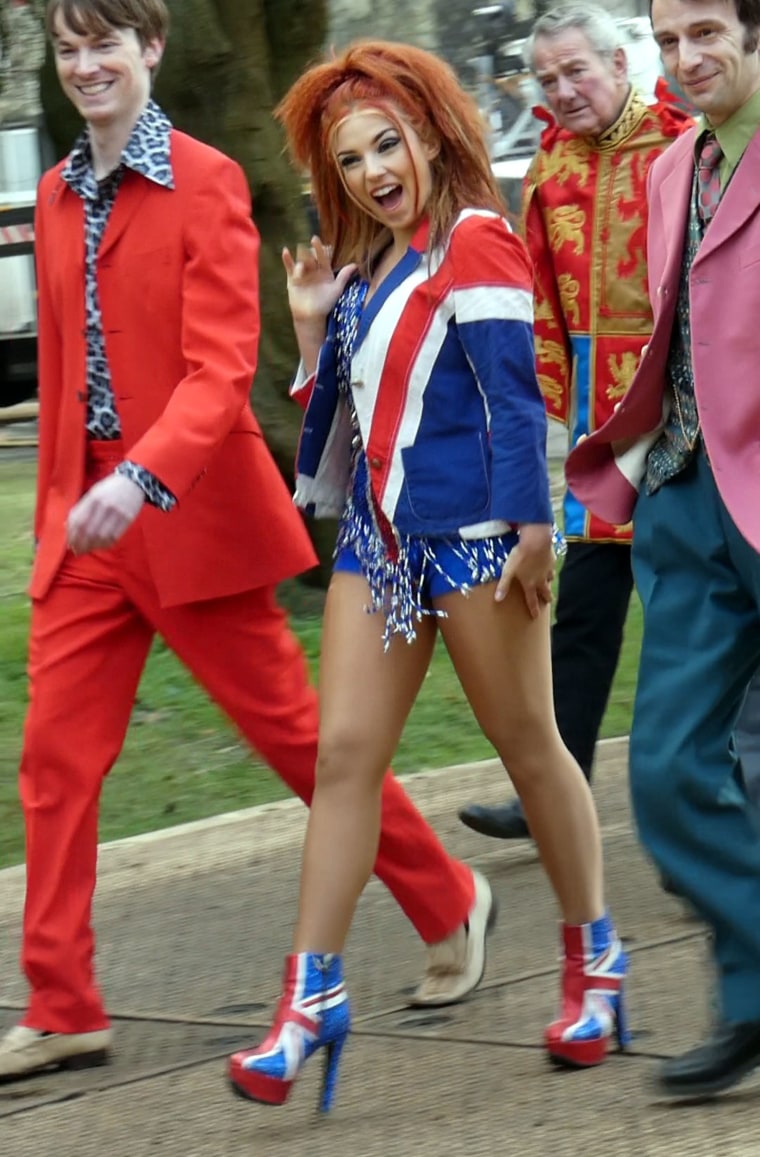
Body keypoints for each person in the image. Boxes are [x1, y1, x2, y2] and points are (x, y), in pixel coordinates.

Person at [0, 0, 498, 1083]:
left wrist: (142, 477)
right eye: (69, 46)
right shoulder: (49, 192)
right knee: (52, 764)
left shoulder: (206, 179)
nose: (87, 65)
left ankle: (450, 897)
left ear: (152, 49)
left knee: (304, 747)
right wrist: (75, 495)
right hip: (82, 526)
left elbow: (222, 366)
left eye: (107, 44)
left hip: (185, 522)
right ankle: (62, 1000)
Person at [228, 38, 628, 1114]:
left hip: (475, 543)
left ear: (427, 133)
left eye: (382, 143)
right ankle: (308, 997)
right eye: (349, 159)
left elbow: (513, 400)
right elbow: (352, 418)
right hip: (378, 545)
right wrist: (314, 329)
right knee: (343, 754)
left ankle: (596, 962)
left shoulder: (479, 243)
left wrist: (533, 529)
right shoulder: (366, 267)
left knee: (530, 745)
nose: (369, 171)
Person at [567, 0, 760, 1099]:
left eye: (705, 32)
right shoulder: (667, 169)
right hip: (686, 495)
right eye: (668, 39)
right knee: (667, 768)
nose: (685, 60)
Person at [459, 3, 691, 842]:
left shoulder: (682, 142)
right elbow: (540, 300)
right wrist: (551, 407)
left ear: (619, 65)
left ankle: (704, 803)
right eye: (546, 78)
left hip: (683, 422)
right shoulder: (547, 166)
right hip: (600, 432)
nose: (560, 91)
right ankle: (552, 790)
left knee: (692, 620)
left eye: (575, 72)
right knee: (584, 620)